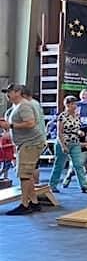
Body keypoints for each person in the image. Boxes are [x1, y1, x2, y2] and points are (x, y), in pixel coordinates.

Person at [1, 84, 48, 214]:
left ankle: (24, 204)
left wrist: (10, 125)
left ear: (18, 92)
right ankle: (34, 202)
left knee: (24, 175)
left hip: (31, 143)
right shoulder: (17, 106)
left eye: (9, 92)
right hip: (26, 143)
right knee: (28, 175)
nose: (7, 95)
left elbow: (30, 123)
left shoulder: (24, 105)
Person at [48, 96, 87, 194]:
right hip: (64, 142)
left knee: (78, 164)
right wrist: (63, 146)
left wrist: (80, 132)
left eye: (75, 104)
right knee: (59, 165)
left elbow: (76, 128)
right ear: (67, 105)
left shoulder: (77, 116)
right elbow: (59, 133)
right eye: (72, 104)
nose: (75, 106)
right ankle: (52, 185)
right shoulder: (62, 116)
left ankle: (84, 185)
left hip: (75, 142)